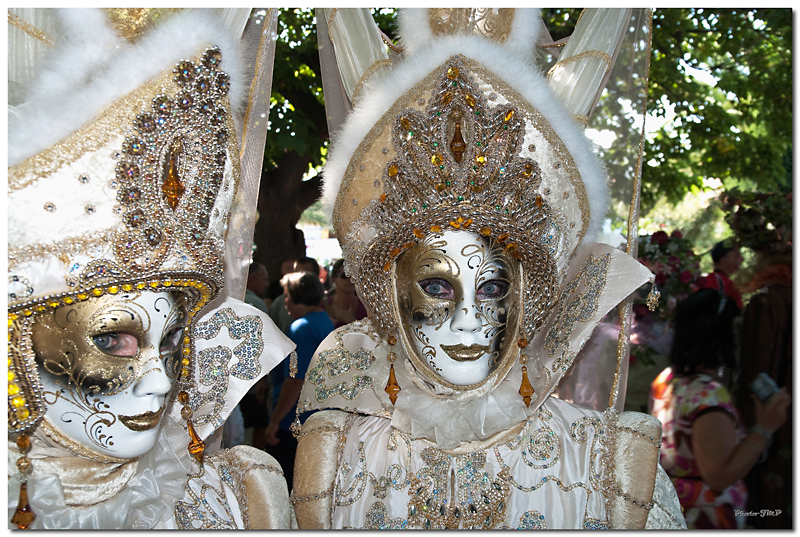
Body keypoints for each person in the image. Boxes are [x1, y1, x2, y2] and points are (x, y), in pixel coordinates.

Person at [291, 8, 685, 529]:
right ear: (392, 296)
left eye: (494, 286)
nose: (469, 320)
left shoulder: (607, 468)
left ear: (527, 296)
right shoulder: (336, 462)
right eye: (437, 286)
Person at [7, 8, 295, 529]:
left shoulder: (236, 500)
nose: (161, 383)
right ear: (16, 340)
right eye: (114, 339)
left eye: (171, 341)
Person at [649, 289, 791, 529]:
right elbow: (718, 475)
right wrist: (764, 428)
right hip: (706, 517)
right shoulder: (709, 395)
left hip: (672, 505)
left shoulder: (665, 380)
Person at [265, 271, 334, 488]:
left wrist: (275, 421)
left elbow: (295, 380)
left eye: (287, 296)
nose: (285, 301)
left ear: (297, 296)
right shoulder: (324, 319)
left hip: (295, 422)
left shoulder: (301, 328)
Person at [268, 257, 321, 334]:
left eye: (306, 273)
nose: (301, 279)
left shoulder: (325, 304)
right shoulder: (279, 303)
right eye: (297, 272)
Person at [695, 240, 743, 312]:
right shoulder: (728, 285)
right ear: (724, 260)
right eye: (737, 256)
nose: (742, 259)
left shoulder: (704, 280)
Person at [323, 259, 368, 328]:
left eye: (354, 276)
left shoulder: (366, 306)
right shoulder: (323, 307)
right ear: (334, 279)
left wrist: (351, 321)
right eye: (345, 275)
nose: (350, 279)